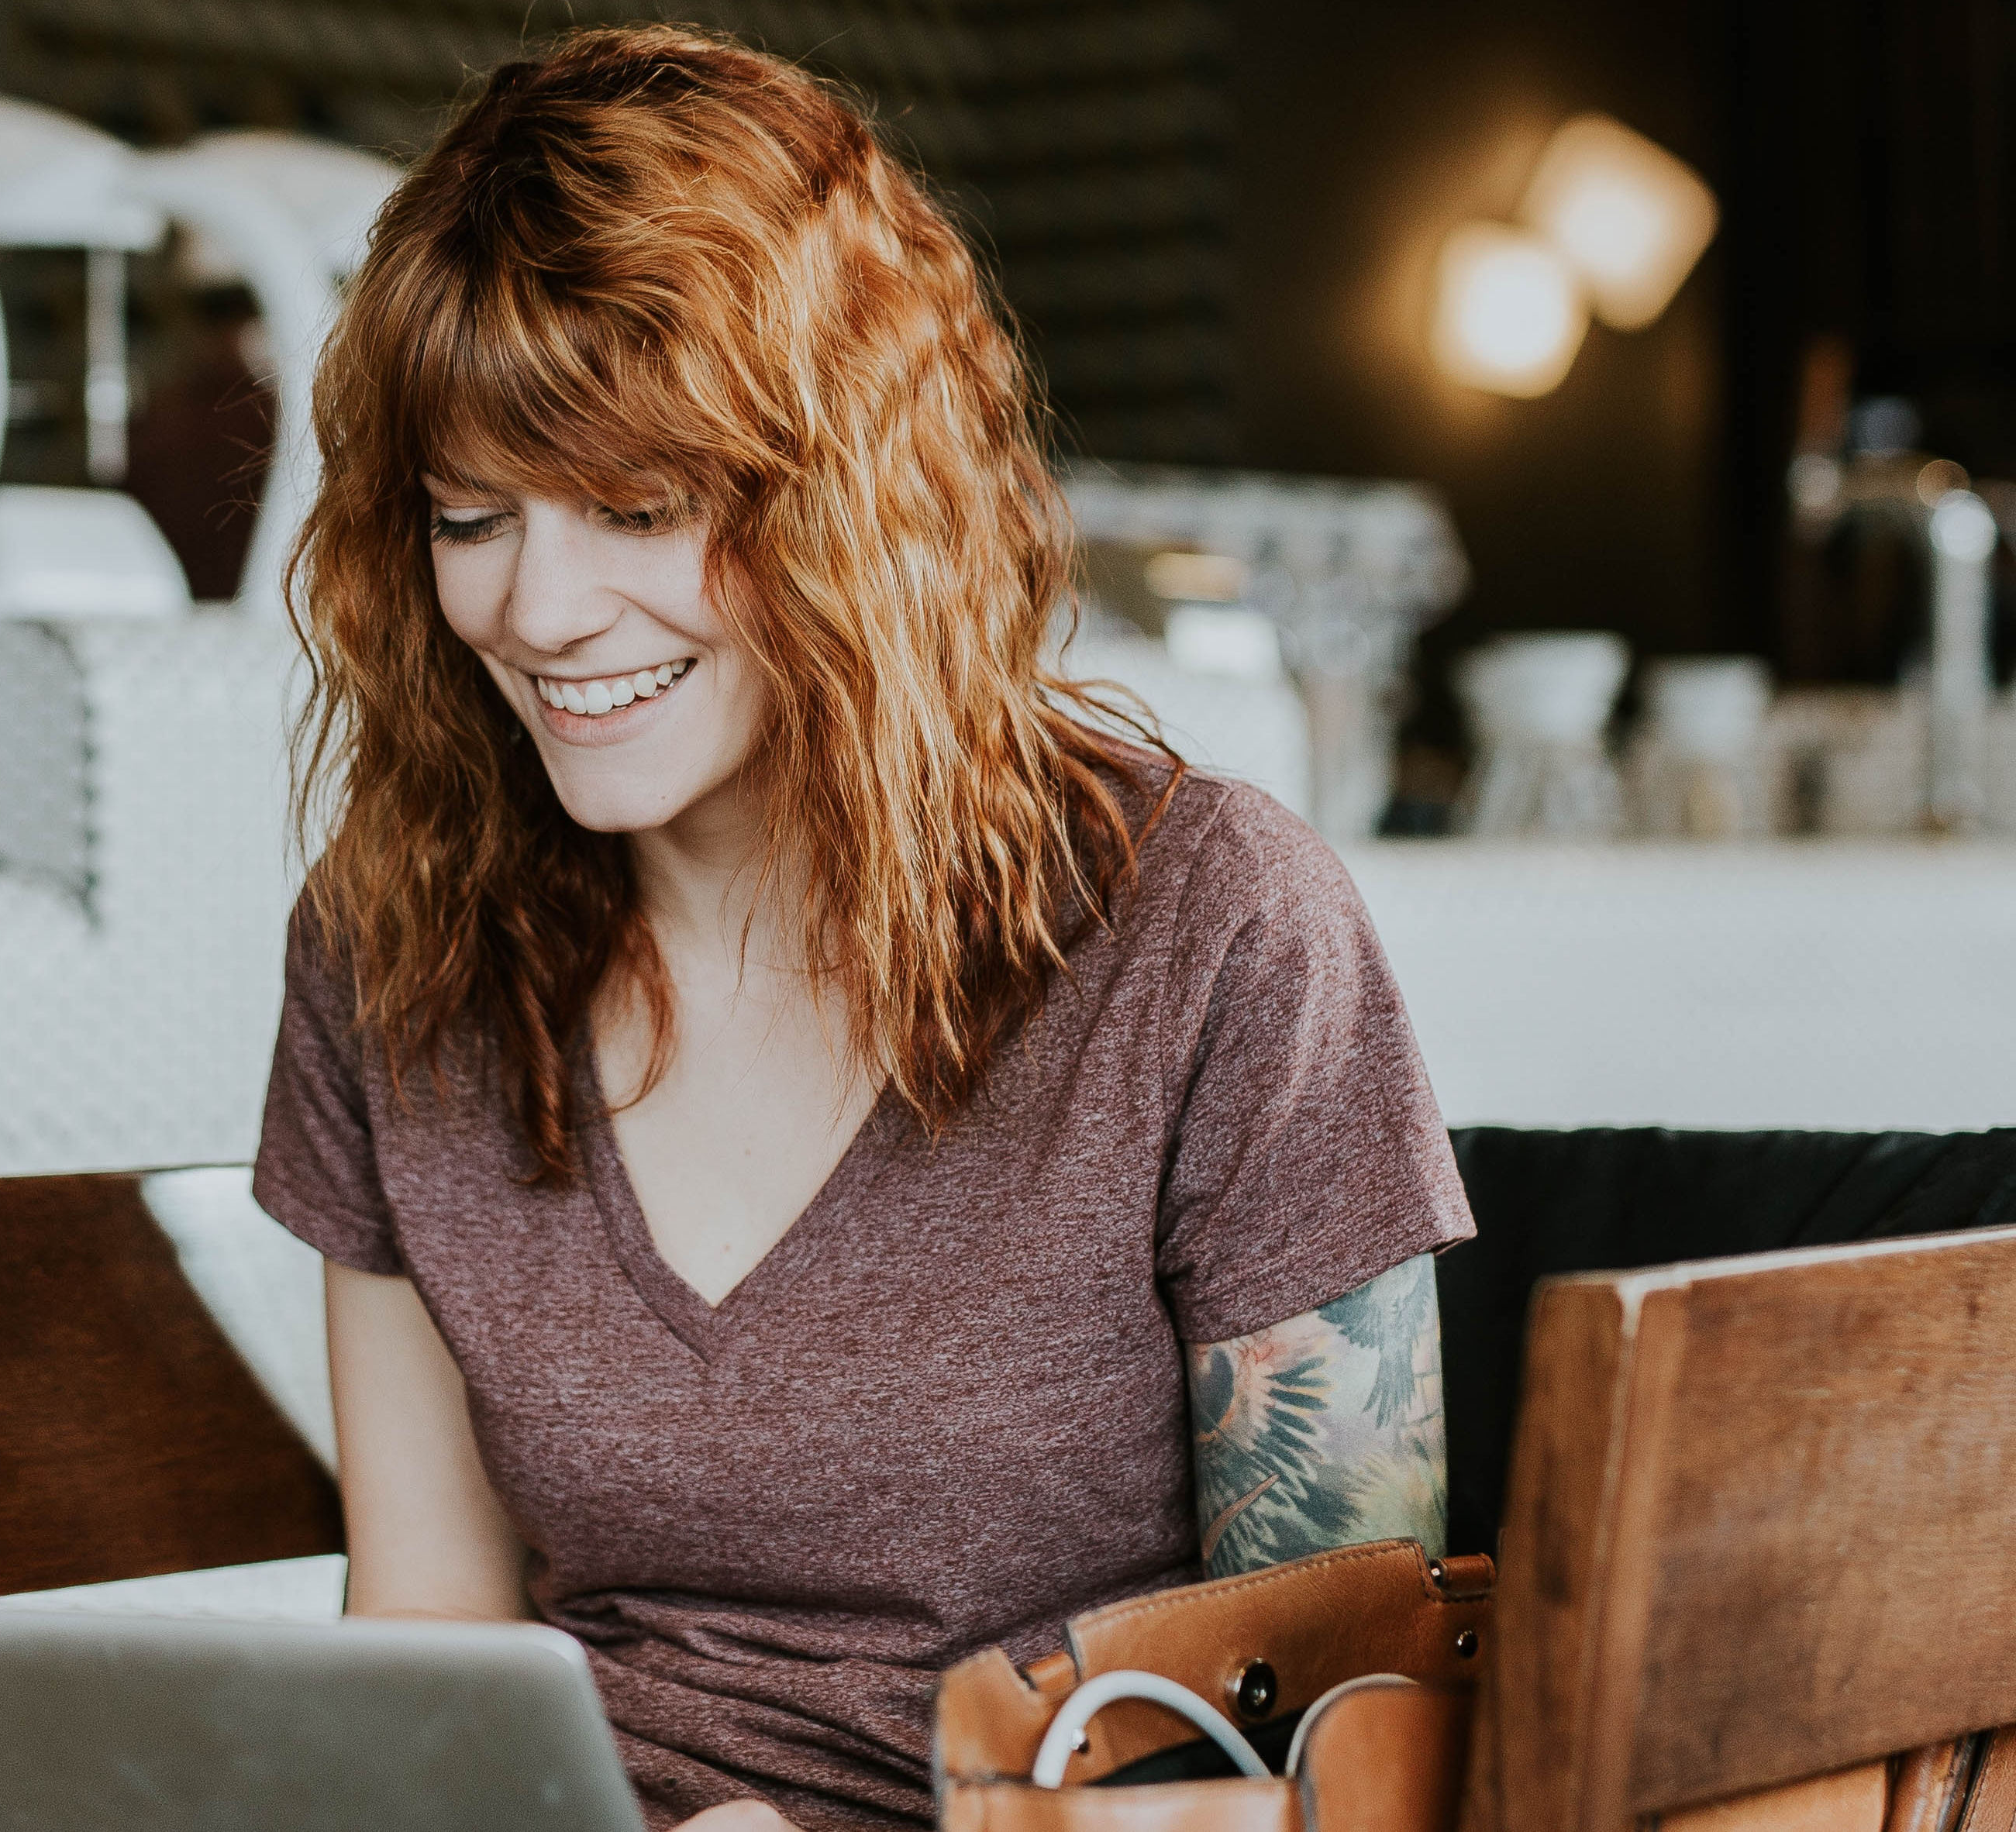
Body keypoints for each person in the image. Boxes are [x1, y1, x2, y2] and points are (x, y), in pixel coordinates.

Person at [250, 29, 1473, 1831]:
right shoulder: (393, 948)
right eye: (469, 514)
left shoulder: (1210, 927)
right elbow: (423, 1656)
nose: (537, 606)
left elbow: (1362, 1752)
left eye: (640, 507)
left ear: (849, 500)